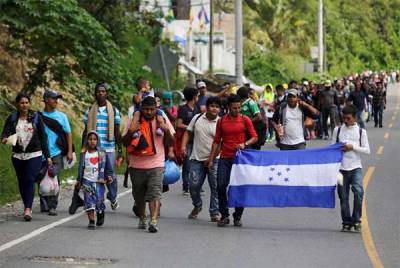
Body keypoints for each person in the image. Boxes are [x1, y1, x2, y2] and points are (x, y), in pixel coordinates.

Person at [123, 96, 174, 233]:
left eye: (152, 109)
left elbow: (171, 142)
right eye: (146, 109)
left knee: (155, 193)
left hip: (157, 164)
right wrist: (131, 131)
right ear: (142, 109)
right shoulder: (134, 120)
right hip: (136, 165)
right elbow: (124, 142)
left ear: (156, 109)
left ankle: (153, 221)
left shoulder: (161, 120)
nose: (149, 112)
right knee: (139, 196)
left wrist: (166, 130)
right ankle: (142, 217)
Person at [208, 95, 258, 228]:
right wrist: (211, 159)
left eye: (239, 107)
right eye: (234, 108)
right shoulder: (222, 121)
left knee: (239, 187)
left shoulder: (244, 119)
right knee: (220, 186)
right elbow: (216, 141)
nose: (237, 110)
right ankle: (224, 216)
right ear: (228, 107)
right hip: (225, 158)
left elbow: (254, 137)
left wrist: (244, 143)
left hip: (240, 159)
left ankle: (238, 216)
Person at [1, 92, 51, 221]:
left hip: (34, 154)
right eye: (22, 103)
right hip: (17, 155)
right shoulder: (12, 118)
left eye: (26, 103)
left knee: (29, 179)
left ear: (29, 104)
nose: (24, 105)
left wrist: (48, 156)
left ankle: (28, 209)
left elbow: (43, 137)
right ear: (17, 104)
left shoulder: (35, 117)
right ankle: (26, 205)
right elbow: (4, 134)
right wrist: (5, 139)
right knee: (22, 181)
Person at [83, 82, 123, 210]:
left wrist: (120, 151)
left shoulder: (114, 110)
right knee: (93, 175)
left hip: (109, 148)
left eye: (103, 91)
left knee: (110, 176)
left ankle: (112, 196)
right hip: (94, 149)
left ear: (106, 94)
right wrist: (83, 147)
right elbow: (86, 130)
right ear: (95, 94)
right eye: (98, 91)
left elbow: (117, 131)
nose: (101, 93)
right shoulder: (89, 110)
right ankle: (95, 200)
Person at [181, 97, 221, 222]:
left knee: (215, 187)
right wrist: (183, 146)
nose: (214, 108)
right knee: (193, 186)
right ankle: (197, 205)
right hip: (197, 158)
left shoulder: (221, 122)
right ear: (206, 107)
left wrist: (210, 159)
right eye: (212, 106)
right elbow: (188, 132)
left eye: (217, 106)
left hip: (215, 160)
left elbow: (221, 144)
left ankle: (214, 212)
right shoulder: (197, 118)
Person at [332, 105, 370, 232]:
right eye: (344, 118)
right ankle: (346, 221)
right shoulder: (337, 130)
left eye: (348, 118)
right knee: (343, 197)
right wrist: (338, 147)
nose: (346, 121)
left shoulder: (361, 132)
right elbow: (331, 148)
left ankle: (356, 219)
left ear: (354, 118)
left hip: (355, 168)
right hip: (340, 169)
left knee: (358, 192)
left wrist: (352, 147)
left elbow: (367, 150)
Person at [37, 89, 73, 216]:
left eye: (57, 98)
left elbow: (68, 134)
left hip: (57, 152)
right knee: (41, 177)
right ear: (46, 100)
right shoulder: (38, 117)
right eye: (54, 98)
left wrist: (69, 151)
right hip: (41, 152)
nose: (56, 101)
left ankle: (52, 205)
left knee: (53, 176)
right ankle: (44, 203)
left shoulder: (62, 117)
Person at [77, 131, 113, 229]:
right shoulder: (83, 153)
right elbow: (80, 168)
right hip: (86, 181)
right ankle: (91, 220)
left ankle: (100, 213)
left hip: (99, 181)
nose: (92, 141)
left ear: (98, 141)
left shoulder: (102, 153)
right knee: (88, 201)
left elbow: (108, 167)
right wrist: (78, 180)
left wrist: (109, 175)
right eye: (90, 139)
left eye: (94, 139)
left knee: (99, 201)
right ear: (87, 141)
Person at [175, 87, 199, 195]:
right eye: (197, 96)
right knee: (187, 164)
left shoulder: (197, 109)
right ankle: (186, 187)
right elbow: (178, 124)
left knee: (197, 163)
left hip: (197, 140)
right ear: (194, 97)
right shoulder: (183, 109)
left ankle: (196, 185)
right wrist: (191, 127)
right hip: (186, 140)